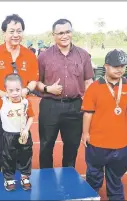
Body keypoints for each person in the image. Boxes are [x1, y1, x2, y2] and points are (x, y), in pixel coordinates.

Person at [81, 49, 127, 201]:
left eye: (123, 66)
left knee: (115, 177)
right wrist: (85, 133)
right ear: (106, 66)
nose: (120, 69)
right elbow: (88, 113)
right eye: (115, 66)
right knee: (94, 174)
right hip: (97, 142)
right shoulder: (94, 87)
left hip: (120, 142)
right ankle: (91, 195)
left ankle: (115, 196)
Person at [0, 14, 38, 172]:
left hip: (20, 110)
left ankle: (18, 179)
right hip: (0, 109)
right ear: (4, 34)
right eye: (11, 31)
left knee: (20, 147)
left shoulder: (29, 55)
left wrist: (26, 90)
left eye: (19, 31)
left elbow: (33, 80)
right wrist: (4, 95)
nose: (15, 35)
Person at [36, 19, 94, 169]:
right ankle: (46, 178)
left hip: (75, 106)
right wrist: (49, 89)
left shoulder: (83, 55)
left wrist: (91, 106)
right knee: (46, 145)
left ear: (72, 32)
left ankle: (68, 179)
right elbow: (36, 82)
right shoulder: (44, 56)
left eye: (67, 32)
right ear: (53, 35)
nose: (64, 36)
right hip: (50, 106)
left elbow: (89, 82)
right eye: (60, 33)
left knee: (72, 146)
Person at [0, 73, 34, 191]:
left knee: (25, 156)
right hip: (8, 135)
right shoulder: (3, 102)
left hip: (23, 134)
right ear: (6, 91)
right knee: (8, 157)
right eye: (11, 90)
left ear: (22, 88)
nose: (15, 93)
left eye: (18, 89)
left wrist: (27, 129)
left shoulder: (26, 102)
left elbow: (31, 116)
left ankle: (25, 177)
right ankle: (9, 178)